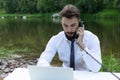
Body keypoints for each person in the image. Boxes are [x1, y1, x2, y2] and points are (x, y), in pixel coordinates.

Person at [37, 4, 102, 72]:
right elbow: (42, 60)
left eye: (73, 25)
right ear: (61, 23)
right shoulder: (56, 39)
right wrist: (49, 70)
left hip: (86, 76)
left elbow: (96, 68)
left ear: (79, 23)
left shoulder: (92, 38)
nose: (69, 30)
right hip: (65, 76)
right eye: (65, 25)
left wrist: (81, 45)